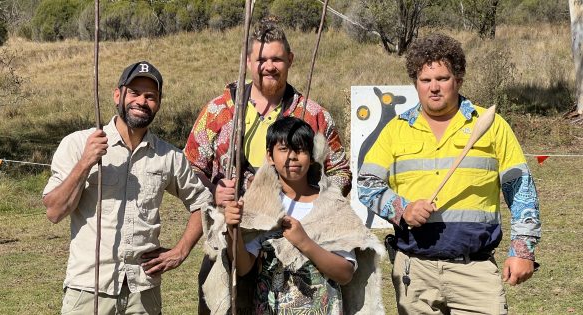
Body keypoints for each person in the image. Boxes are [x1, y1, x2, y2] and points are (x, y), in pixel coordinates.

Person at [358, 34, 541, 315]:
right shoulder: (395, 129)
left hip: (475, 271)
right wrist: (402, 210)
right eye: (425, 80)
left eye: (442, 78)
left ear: (459, 79)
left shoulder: (490, 125)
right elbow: (367, 185)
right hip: (414, 272)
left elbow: (521, 191)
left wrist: (523, 250)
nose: (433, 88)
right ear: (415, 83)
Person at [185, 18, 352, 313]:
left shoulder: (313, 117)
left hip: (295, 249)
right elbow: (191, 168)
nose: (269, 66)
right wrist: (214, 191)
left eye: (276, 58)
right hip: (231, 244)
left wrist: (316, 206)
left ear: (290, 60)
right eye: (261, 59)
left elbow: (340, 171)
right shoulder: (219, 112)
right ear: (248, 62)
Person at [43, 61, 212, 314]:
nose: (141, 101)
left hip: (143, 293)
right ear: (117, 95)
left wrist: (180, 251)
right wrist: (86, 162)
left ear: (158, 103)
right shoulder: (80, 144)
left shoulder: (168, 156)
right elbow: (54, 211)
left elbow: (203, 201)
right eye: (134, 93)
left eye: (150, 96)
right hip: (88, 289)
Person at [202, 117, 383, 314]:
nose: (292, 157)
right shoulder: (259, 205)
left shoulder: (332, 205)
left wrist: (304, 242)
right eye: (283, 149)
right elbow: (244, 267)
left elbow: (345, 273)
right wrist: (232, 229)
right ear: (269, 156)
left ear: (312, 156)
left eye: (300, 149)